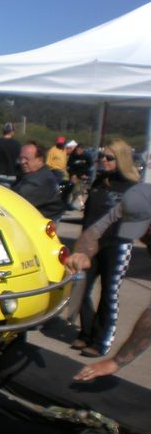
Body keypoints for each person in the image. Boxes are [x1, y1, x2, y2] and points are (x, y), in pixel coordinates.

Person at [66, 180, 151, 380]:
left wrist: (116, 362)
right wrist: (82, 254)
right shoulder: (136, 201)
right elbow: (95, 232)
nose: (141, 237)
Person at [70, 139, 142, 358]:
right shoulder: (99, 181)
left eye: (109, 158)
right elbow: (89, 215)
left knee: (109, 294)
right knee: (79, 288)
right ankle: (87, 331)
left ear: (121, 159)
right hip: (90, 246)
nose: (103, 160)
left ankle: (101, 341)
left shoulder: (132, 187)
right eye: (101, 156)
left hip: (116, 246)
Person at [14, 141, 66, 222]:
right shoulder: (32, 174)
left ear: (40, 159)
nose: (22, 162)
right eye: (21, 158)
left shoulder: (41, 180)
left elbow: (16, 199)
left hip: (39, 224)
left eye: (26, 159)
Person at [67, 142, 92, 210]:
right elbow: (69, 166)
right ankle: (72, 204)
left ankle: (81, 204)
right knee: (75, 190)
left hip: (82, 175)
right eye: (77, 150)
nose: (79, 151)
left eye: (80, 150)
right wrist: (72, 174)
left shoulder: (87, 156)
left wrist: (85, 174)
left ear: (83, 150)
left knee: (78, 190)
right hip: (73, 175)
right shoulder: (73, 156)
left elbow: (89, 165)